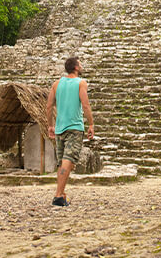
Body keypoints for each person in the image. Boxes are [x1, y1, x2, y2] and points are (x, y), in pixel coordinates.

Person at [46, 56, 94, 207]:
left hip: (60, 127)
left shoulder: (56, 84)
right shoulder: (81, 83)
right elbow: (85, 105)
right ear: (76, 67)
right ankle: (58, 195)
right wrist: (91, 124)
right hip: (74, 127)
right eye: (80, 63)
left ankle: (60, 193)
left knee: (63, 162)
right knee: (68, 160)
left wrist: (50, 125)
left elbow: (48, 106)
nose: (82, 65)